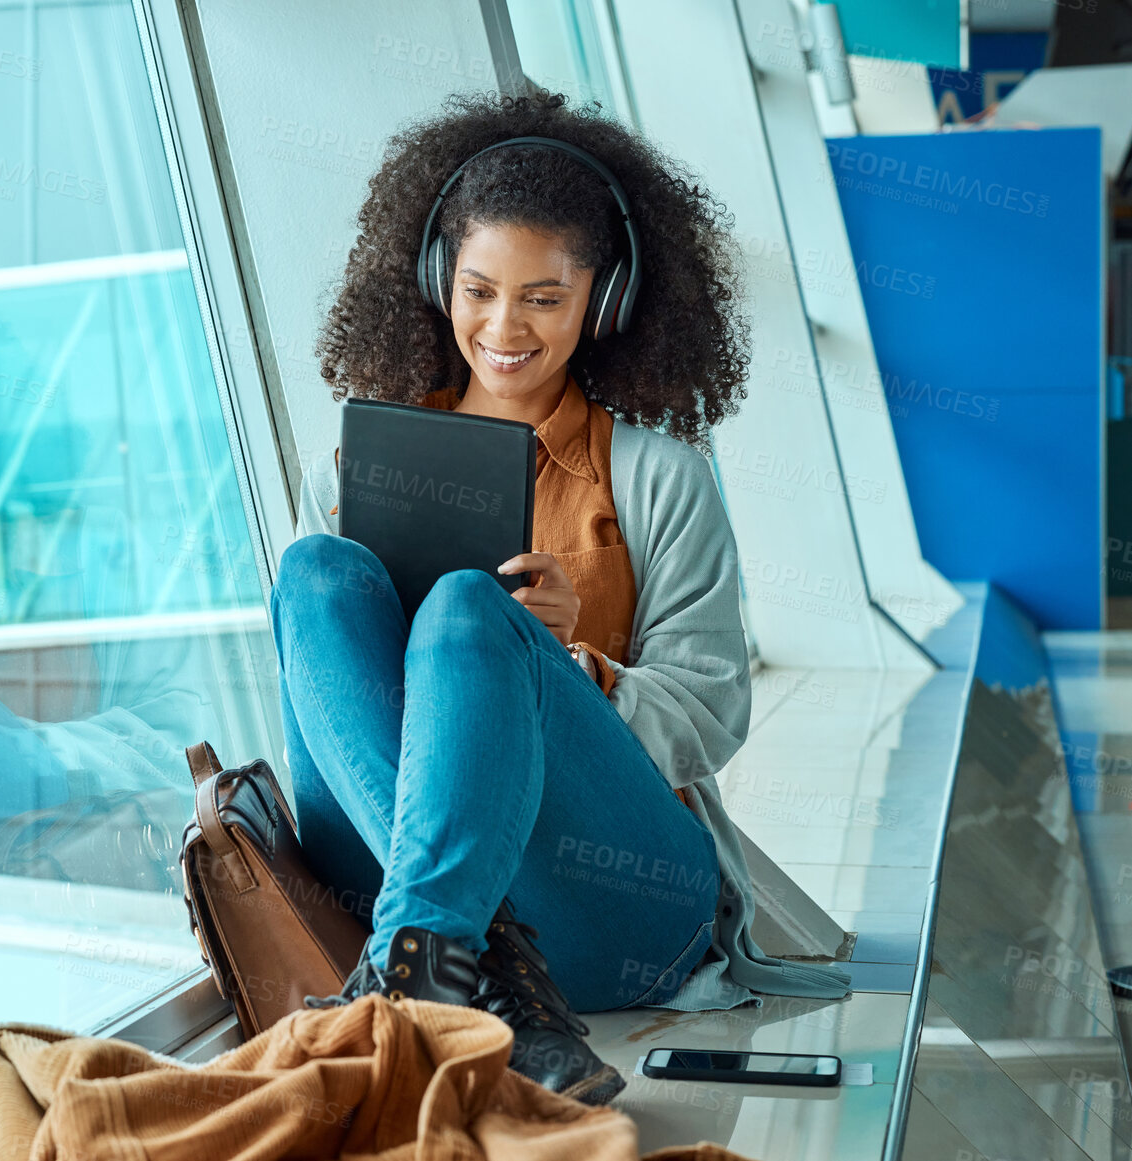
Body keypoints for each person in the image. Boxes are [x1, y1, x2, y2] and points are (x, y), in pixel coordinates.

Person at [273, 88, 851, 1105]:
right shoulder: (357, 467)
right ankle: (451, 958)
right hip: (433, 890)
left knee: (463, 609)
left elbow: (712, 709)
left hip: (611, 898)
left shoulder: (659, 478)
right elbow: (334, 703)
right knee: (312, 572)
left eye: (543, 297)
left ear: (605, 301)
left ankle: (418, 964)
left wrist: (574, 671)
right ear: (432, 281)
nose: (502, 326)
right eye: (476, 289)